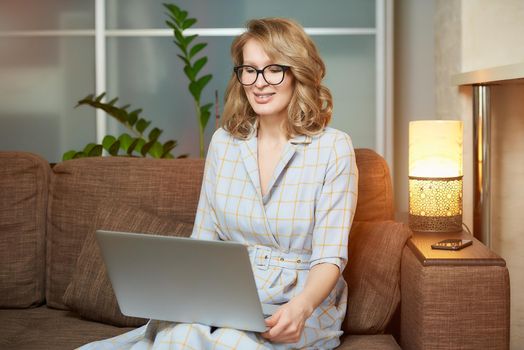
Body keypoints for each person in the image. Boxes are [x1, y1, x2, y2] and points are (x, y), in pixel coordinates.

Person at [80, 17, 357, 350]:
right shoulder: (224, 143)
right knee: (180, 336)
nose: (259, 82)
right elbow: (204, 239)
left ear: (297, 73)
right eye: (249, 70)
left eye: (273, 69)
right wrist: (188, 297)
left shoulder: (333, 148)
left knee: (231, 342)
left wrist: (301, 308)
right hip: (228, 293)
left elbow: (329, 257)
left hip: (300, 300)